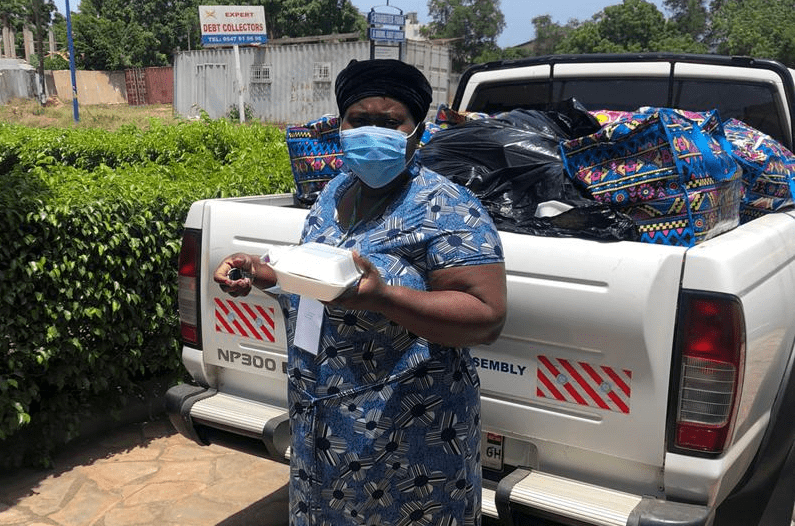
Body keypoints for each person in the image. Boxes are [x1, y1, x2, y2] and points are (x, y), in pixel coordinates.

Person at [213, 58, 507, 526]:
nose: (373, 132)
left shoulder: (448, 208)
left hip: (410, 436)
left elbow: (486, 316)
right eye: (359, 120)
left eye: (390, 122)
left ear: (417, 131)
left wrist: (384, 297)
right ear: (341, 125)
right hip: (323, 424)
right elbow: (315, 273)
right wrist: (260, 272)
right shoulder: (334, 194)